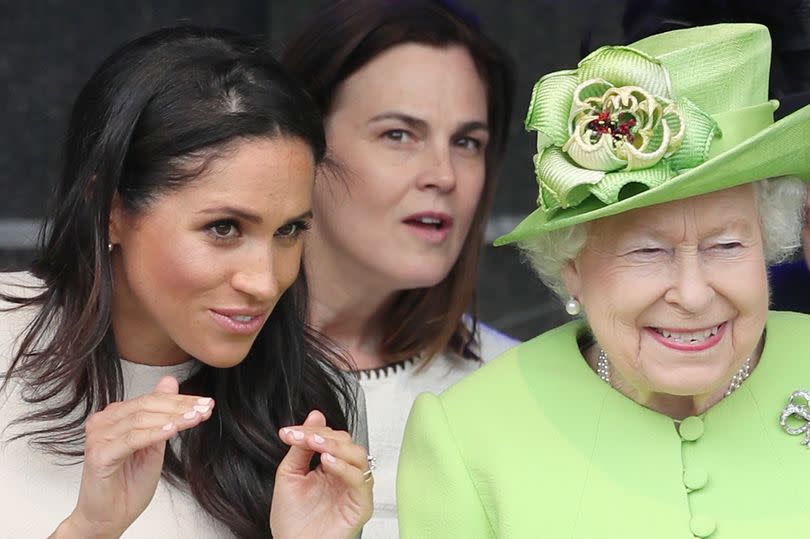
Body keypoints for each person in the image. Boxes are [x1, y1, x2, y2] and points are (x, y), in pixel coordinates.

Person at [398, 23, 810, 537]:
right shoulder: (466, 435)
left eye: (726, 246)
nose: (693, 293)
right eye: (647, 251)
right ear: (572, 266)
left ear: (768, 245)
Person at [0, 27, 373, 538]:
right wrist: (89, 529)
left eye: (290, 230)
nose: (264, 282)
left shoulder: (312, 406)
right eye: (223, 228)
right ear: (110, 209)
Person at [281, 1, 517, 535]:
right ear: (302, 143)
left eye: (467, 142)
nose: (444, 175)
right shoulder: (181, 370)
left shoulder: (517, 388)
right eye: (398, 134)